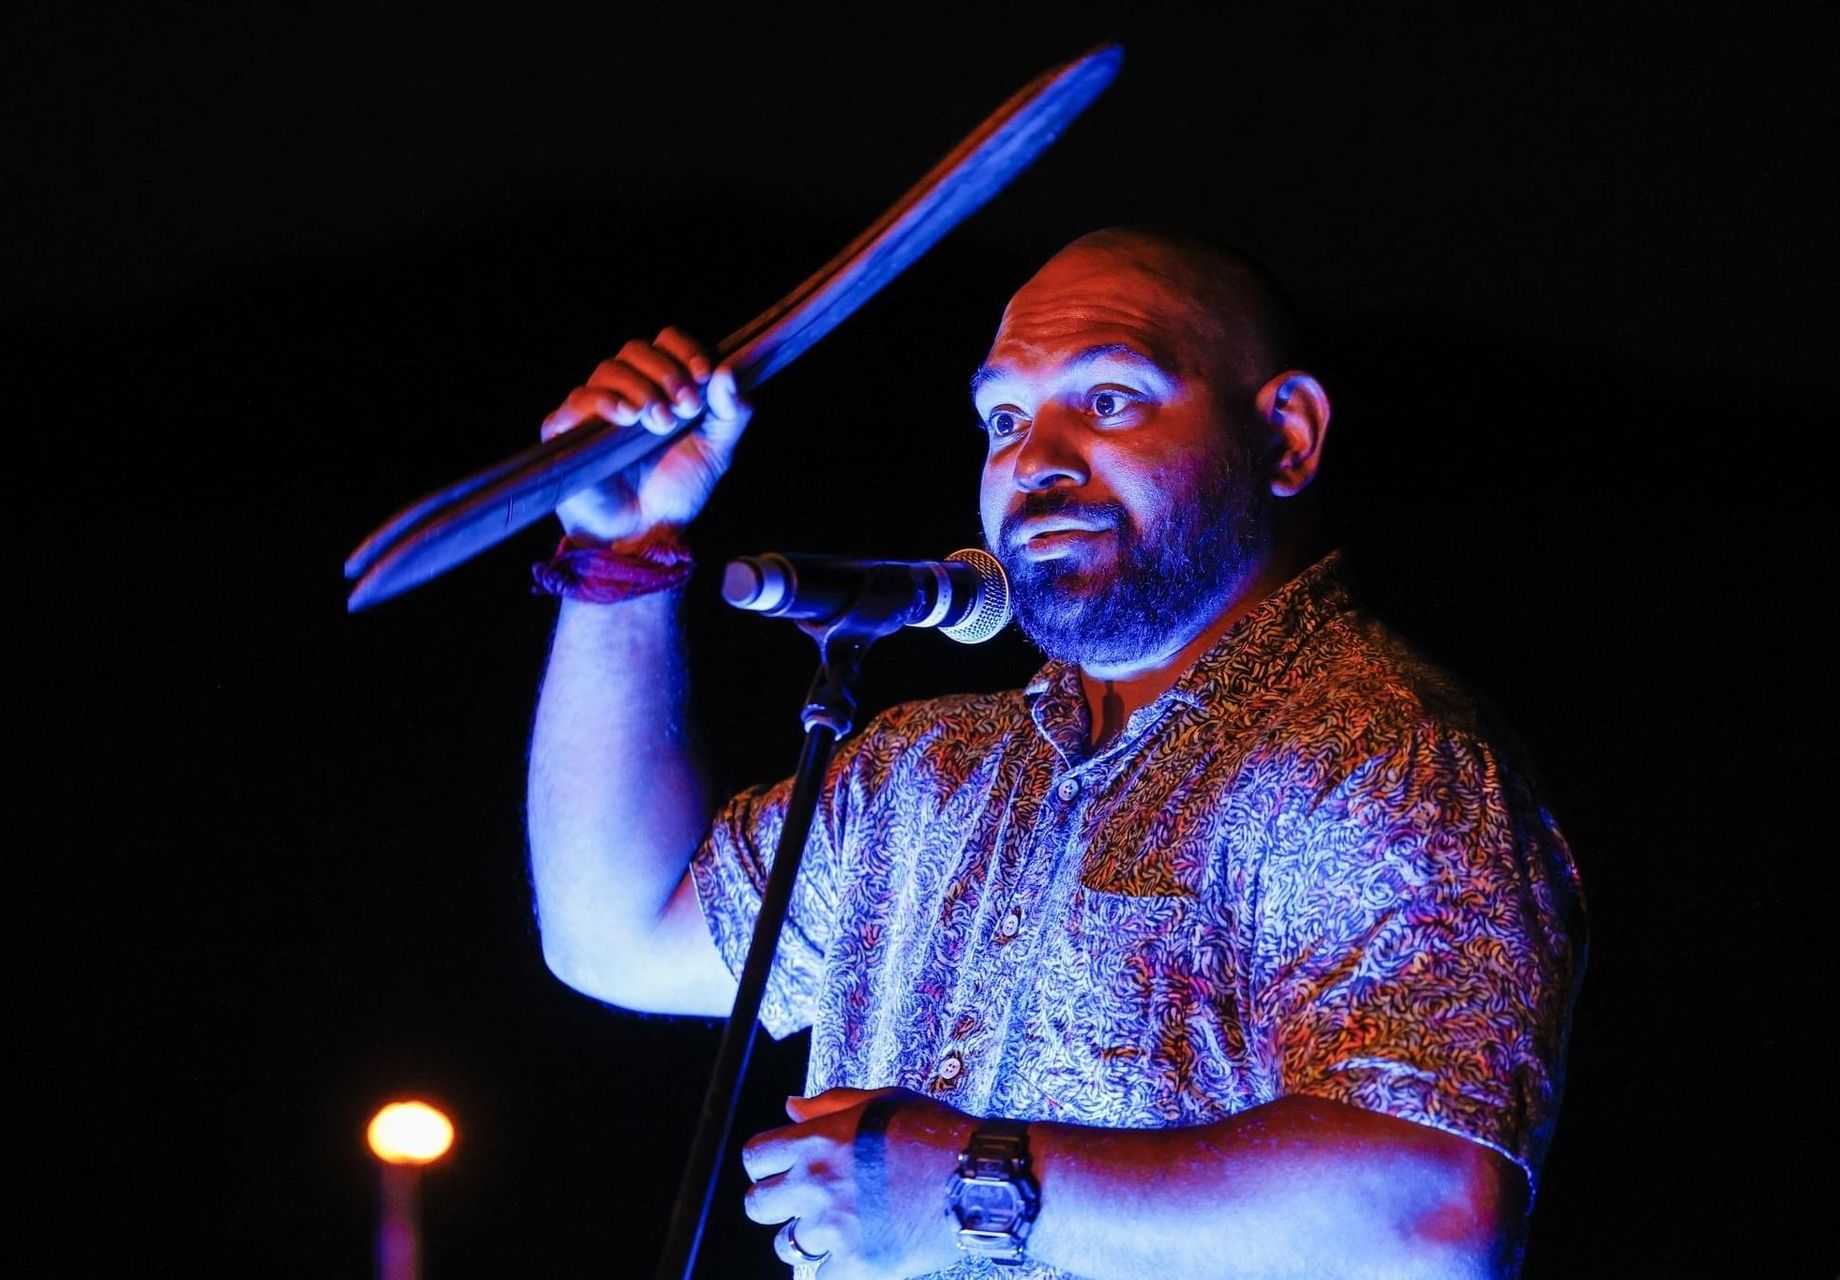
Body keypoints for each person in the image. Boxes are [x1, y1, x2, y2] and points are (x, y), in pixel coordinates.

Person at [526, 226, 1585, 1278]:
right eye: (1003, 417)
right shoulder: (923, 773)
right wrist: (622, 555)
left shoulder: (1377, 756)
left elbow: (1434, 1218)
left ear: (1289, 435)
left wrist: (971, 1187)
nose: (1034, 462)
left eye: (1109, 399)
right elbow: (614, 930)